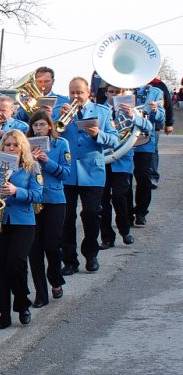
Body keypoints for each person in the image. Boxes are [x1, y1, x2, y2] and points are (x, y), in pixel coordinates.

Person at [60, 77, 118, 275]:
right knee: (66, 218)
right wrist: (54, 122)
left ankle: (91, 253)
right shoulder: (61, 111)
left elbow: (114, 140)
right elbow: (50, 135)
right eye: (72, 92)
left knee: (91, 214)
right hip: (67, 173)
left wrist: (97, 135)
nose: (76, 96)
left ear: (88, 93)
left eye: (79, 92)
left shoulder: (102, 112)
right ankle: (69, 260)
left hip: (92, 172)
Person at [0, 131, 43, 328]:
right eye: (7, 145)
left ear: (23, 148)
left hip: (23, 221)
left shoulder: (31, 167)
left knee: (16, 261)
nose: (11, 148)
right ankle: (4, 312)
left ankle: (22, 303)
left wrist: (16, 191)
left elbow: (37, 195)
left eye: (15, 145)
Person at [26, 111, 70, 307]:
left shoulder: (61, 144)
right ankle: (41, 294)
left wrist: (46, 161)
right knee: (34, 249)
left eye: (42, 125)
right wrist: (29, 160)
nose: (38, 129)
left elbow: (65, 174)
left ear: (50, 126)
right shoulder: (25, 144)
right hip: (33, 200)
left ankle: (55, 278)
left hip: (54, 199)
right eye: (35, 125)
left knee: (52, 245)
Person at [99, 86, 151, 248]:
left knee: (119, 197)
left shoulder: (132, 110)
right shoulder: (99, 110)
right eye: (111, 92)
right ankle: (107, 237)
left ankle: (125, 230)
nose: (114, 96)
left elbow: (148, 128)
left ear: (123, 94)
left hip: (122, 161)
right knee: (103, 200)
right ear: (106, 93)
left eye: (118, 92)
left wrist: (134, 117)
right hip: (102, 159)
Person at [131, 82, 164, 225]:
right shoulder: (120, 88)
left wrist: (156, 110)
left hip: (144, 141)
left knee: (143, 177)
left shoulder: (155, 92)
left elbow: (161, 118)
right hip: (123, 139)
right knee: (123, 180)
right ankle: (126, 212)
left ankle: (141, 211)